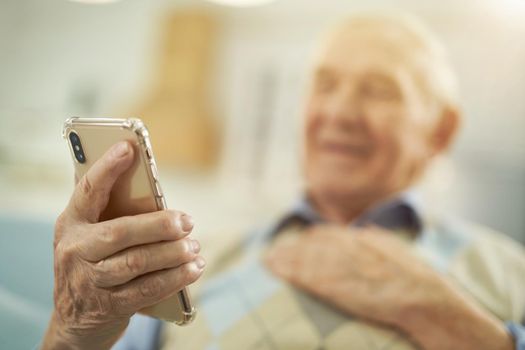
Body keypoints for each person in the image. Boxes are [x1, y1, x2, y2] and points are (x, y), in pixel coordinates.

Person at [41, 12, 525, 350]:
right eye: (325, 85)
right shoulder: (187, 266)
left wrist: (444, 318)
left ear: (440, 130)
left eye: (380, 90)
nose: (339, 112)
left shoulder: (509, 272)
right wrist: (73, 328)